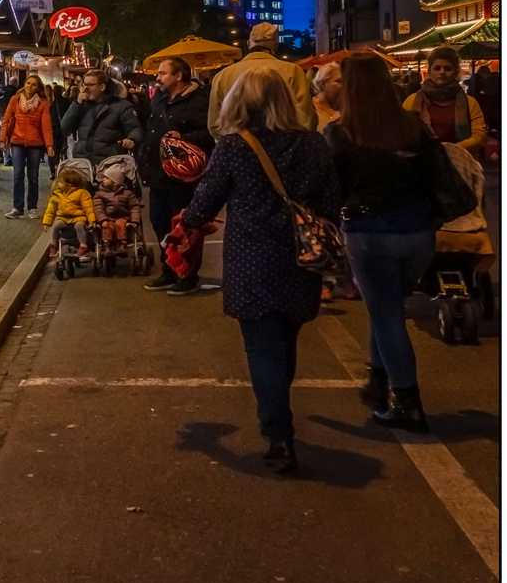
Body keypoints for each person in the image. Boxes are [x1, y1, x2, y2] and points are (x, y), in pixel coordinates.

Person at [181, 70, 338, 472]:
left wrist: (195, 220)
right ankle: (277, 414)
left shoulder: (235, 146)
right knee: (286, 342)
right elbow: (331, 202)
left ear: (239, 102)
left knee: (262, 347)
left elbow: (202, 207)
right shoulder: (313, 143)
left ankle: (279, 433)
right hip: (302, 257)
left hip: (252, 257)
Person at [328, 52, 442, 431]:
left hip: (370, 234)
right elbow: (435, 177)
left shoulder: (343, 131)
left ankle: (407, 402)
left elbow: (334, 189)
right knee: (388, 306)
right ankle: (378, 381)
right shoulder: (413, 127)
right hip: (418, 234)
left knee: (388, 315)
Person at [141, 56, 213, 291]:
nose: (158, 77)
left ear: (179, 76)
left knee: (183, 227)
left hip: (182, 177)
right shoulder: (160, 99)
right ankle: (170, 269)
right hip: (157, 173)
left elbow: (210, 134)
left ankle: (188, 275)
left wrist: (186, 138)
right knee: (159, 222)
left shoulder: (199, 101)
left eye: (163, 73)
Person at [207, 22, 315, 134]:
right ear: (276, 46)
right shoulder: (293, 71)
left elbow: (214, 125)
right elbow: (306, 119)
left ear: (249, 44)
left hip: (237, 147)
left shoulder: (223, 75)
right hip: (286, 146)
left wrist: (231, 143)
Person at [405, 46, 486, 156]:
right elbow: (400, 131)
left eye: (447, 68)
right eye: (437, 68)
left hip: (459, 164)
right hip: (422, 163)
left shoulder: (470, 103)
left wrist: (449, 150)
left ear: (456, 72)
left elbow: (479, 136)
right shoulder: (412, 101)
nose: (442, 72)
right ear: (429, 71)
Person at [0, 75, 54, 219]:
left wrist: (49, 145)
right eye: (28, 83)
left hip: (35, 144)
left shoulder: (42, 103)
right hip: (17, 142)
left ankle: (32, 207)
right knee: (18, 175)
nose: (29, 86)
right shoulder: (15, 99)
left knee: (33, 176)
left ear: (38, 88)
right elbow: (6, 120)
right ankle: (17, 207)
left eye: (33, 85)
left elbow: (46, 125)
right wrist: (2, 140)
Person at [61, 69, 144, 164]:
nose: (85, 89)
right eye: (84, 85)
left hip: (109, 165)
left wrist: (132, 139)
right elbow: (65, 128)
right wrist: (77, 104)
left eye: (90, 85)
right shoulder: (81, 105)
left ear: (102, 87)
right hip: (84, 164)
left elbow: (135, 128)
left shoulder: (122, 106)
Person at [42, 165, 95, 258]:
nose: (57, 184)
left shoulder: (82, 193)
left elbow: (88, 208)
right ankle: (54, 244)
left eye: (60, 183)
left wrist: (92, 221)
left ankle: (83, 245)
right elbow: (50, 210)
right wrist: (47, 223)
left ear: (69, 185)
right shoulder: (57, 195)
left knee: (79, 226)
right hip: (63, 218)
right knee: (57, 225)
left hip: (78, 217)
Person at [92, 160, 141, 255]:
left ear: (115, 182)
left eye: (106, 178)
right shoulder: (100, 194)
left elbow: (134, 207)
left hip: (123, 217)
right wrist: (102, 219)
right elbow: (98, 208)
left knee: (120, 224)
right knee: (107, 226)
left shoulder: (127, 194)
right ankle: (106, 245)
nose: (103, 180)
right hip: (107, 217)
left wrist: (135, 220)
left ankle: (122, 244)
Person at [312, 61, 343, 133]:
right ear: (322, 83)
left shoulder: (347, 109)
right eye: (339, 81)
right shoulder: (309, 109)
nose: (344, 85)